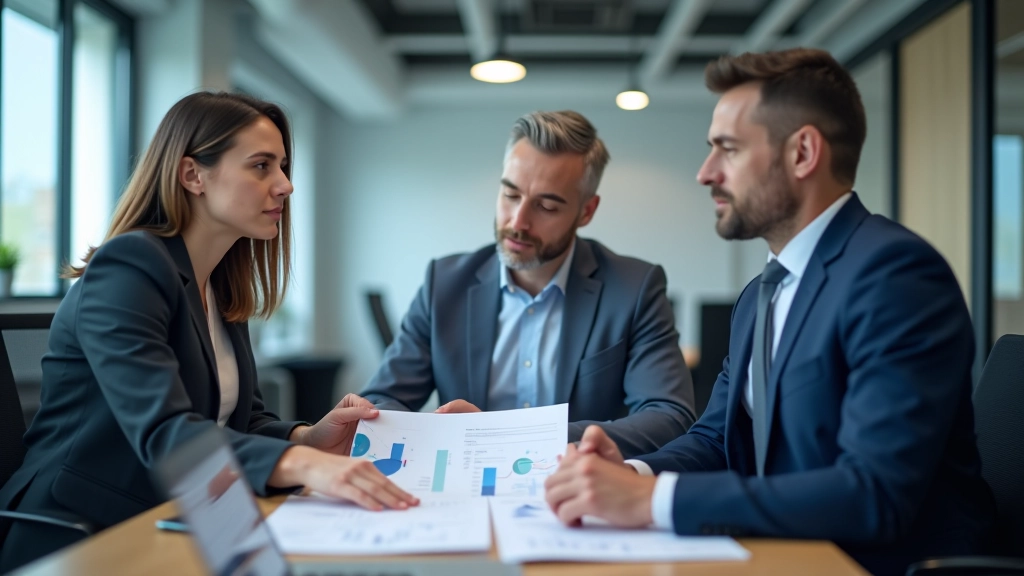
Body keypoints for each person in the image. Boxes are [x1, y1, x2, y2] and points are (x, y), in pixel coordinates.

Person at [543, 49, 993, 575]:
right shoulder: (763, 291)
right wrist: (636, 472)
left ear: (803, 153)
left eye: (727, 150)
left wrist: (651, 503)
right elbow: (716, 440)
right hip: (789, 555)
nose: (705, 173)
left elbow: (873, 494)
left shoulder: (897, 276)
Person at [0, 92, 417, 571]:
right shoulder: (128, 266)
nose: (285, 185)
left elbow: (241, 420)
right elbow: (165, 429)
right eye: (262, 166)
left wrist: (305, 439)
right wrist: (303, 467)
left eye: (283, 166)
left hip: (181, 517)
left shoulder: (216, 284)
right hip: (83, 532)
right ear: (192, 175)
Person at [360, 111, 695, 458]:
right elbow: (378, 403)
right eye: (510, 195)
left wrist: (514, 437)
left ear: (586, 211)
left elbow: (669, 416)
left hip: (578, 488)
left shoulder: (633, 289)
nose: (518, 222)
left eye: (546, 206)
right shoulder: (443, 284)